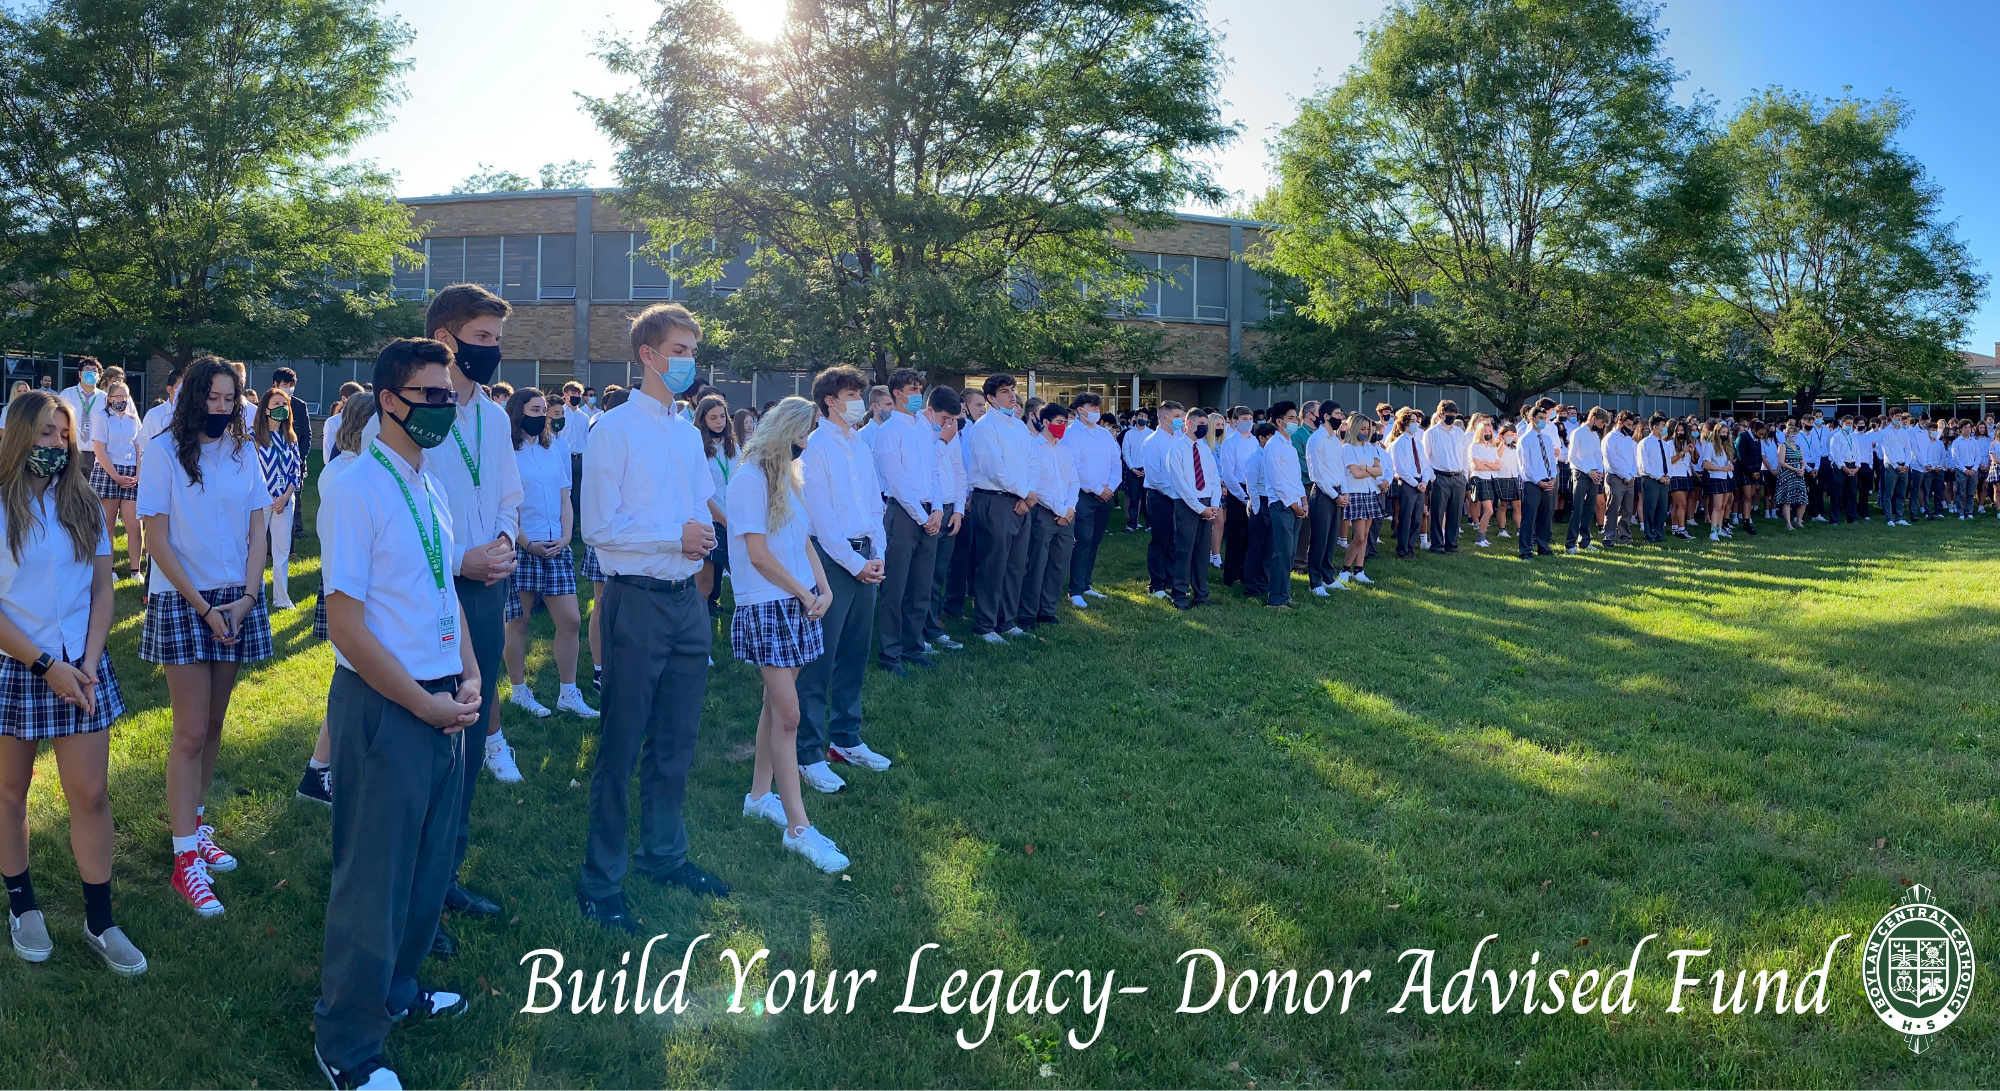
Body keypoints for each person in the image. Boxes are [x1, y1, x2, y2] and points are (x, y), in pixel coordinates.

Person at [312, 338, 481, 1091]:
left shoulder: (428, 482)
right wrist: (423, 703)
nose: (444, 406)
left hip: (442, 696)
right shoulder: (355, 486)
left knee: (426, 865)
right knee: (372, 879)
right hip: (388, 705)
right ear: (389, 400)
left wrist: (469, 673)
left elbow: (445, 592)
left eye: (448, 394)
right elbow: (346, 625)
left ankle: (398, 991)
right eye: (430, 395)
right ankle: (347, 1042)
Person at [367, 284, 522, 955]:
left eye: (497, 339)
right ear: (445, 338)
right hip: (427, 595)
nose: (493, 350)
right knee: (422, 749)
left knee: (467, 737)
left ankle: (444, 876)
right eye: (482, 338)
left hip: (485, 591)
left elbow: (509, 492)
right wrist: (463, 557)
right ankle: (407, 892)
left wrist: (505, 541)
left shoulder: (492, 416)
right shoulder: (404, 416)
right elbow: (395, 518)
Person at [579, 302, 729, 934]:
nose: (689, 362)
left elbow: (699, 506)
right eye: (679, 350)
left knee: (676, 740)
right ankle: (601, 880)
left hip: (685, 602)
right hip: (635, 600)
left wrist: (705, 534)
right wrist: (676, 537)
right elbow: (598, 528)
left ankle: (664, 855)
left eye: (693, 351)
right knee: (621, 742)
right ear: (648, 354)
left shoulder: (686, 432)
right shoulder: (612, 431)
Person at [0, 391, 142, 974]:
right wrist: (46, 666)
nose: (56, 445)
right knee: (10, 792)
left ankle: (100, 921)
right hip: (17, 667)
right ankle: (23, 906)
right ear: (17, 436)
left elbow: (104, 589)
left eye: (63, 435)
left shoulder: (81, 501)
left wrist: (88, 660)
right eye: (44, 434)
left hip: (81, 666)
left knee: (90, 795)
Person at [137, 357, 272, 917]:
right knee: (190, 732)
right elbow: (156, 539)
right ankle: (184, 860)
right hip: (183, 601)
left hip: (236, 600)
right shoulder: (163, 452)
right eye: (212, 398)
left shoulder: (244, 451)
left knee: (214, 726)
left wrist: (248, 598)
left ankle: (195, 826)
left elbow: (259, 528)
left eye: (229, 399)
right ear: (192, 398)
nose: (221, 408)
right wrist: (203, 607)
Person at [719, 394, 853, 875]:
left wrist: (823, 588)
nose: (806, 443)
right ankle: (798, 828)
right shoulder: (747, 479)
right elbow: (757, 554)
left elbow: (803, 540)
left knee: (775, 708)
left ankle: (759, 797)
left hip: (798, 602)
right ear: (783, 431)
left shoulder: (788, 477)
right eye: (802, 434)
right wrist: (802, 590)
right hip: (767, 605)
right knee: (789, 714)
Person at [794, 365, 891, 792]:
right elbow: (821, 517)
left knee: (854, 652)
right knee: (821, 657)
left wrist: (877, 553)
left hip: (866, 555)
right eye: (851, 395)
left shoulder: (860, 446)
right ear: (830, 401)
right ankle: (807, 751)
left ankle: (846, 738)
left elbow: (874, 503)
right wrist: (854, 563)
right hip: (833, 561)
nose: (859, 403)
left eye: (859, 395)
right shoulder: (815, 448)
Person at [296, 391, 380, 808]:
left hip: (364, 586)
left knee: (356, 679)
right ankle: (320, 771)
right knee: (350, 680)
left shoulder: (363, 467)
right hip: (349, 587)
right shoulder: (341, 473)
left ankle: (326, 769)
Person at [501, 388, 595, 726]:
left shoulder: (555, 447)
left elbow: (565, 497)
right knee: (519, 622)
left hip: (557, 546)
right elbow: (504, 505)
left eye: (544, 409)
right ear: (518, 412)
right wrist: (526, 543)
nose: (542, 415)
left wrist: (567, 536)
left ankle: (568, 694)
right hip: (521, 547)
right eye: (535, 409)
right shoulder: (506, 452)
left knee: (571, 620)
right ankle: (519, 690)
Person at [871, 369, 943, 675]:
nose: (917, 395)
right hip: (903, 514)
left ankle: (913, 646)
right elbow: (897, 483)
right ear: (897, 394)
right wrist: (923, 517)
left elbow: (934, 472)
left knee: (921, 585)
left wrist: (937, 509)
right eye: (912, 389)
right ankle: (890, 653)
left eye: (919, 389)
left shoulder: (924, 428)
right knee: (896, 587)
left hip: (928, 512)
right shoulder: (889, 432)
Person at [965, 374, 1039, 644]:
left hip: (1020, 501)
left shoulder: (1018, 426)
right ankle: (985, 625)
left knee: (1015, 565)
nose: (1011, 396)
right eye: (1005, 392)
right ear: (991, 398)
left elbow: (1033, 462)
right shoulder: (984, 427)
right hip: (994, 500)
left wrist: (1027, 497)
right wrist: (1025, 493)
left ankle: (1006, 621)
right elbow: (995, 470)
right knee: (993, 565)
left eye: (1012, 390)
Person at [1019, 403, 1080, 624]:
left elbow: (1074, 482)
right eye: (1059, 422)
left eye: (1065, 423)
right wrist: (1060, 510)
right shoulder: (1033, 448)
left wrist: (1069, 509)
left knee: (1059, 564)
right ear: (1045, 422)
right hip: (1043, 513)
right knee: (1036, 564)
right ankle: (1028, 612)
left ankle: (1048, 609)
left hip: (1067, 515)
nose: (1063, 426)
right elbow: (1036, 487)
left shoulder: (1065, 451)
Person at [921, 389, 968, 654]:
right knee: (922, 576)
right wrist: (942, 440)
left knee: (939, 574)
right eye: (944, 418)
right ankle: (918, 631)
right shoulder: (920, 431)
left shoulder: (951, 432)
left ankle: (933, 626)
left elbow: (959, 472)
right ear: (930, 411)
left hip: (950, 509)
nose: (949, 424)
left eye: (953, 419)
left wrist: (959, 510)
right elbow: (927, 468)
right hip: (929, 511)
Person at [1063, 392, 1119, 607]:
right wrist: (1097, 489)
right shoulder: (1071, 434)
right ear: (1080, 410)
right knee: (1083, 540)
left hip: (1105, 495)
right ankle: (1075, 589)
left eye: (1097, 407)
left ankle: (1086, 584)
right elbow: (1076, 467)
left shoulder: (1105, 435)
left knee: (1094, 541)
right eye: (1091, 407)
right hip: (1083, 495)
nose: (1096, 410)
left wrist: (1110, 487)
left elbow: (1116, 462)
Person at [84, 380, 144, 580]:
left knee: (135, 526)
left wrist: (138, 474)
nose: (122, 400)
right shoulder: (102, 417)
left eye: (125, 396)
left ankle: (135, 570)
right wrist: (116, 477)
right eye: (118, 396)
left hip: (131, 473)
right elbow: (99, 450)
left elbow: (139, 449)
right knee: (107, 525)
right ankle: (109, 569)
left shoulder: (133, 419)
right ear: (109, 399)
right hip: (108, 471)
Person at [252, 385, 304, 609]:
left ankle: (282, 598)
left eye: (285, 405)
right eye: (277, 404)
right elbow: (250, 473)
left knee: (282, 551)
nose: (282, 408)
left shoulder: (290, 437)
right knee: (256, 549)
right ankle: (254, 594)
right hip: (260, 502)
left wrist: (285, 496)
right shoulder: (252, 438)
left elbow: (296, 469)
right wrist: (269, 497)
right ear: (266, 409)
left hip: (285, 501)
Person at [693, 394, 736, 615]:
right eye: (713, 418)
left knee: (741, 575)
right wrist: (723, 519)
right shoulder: (698, 449)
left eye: (722, 416)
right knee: (705, 584)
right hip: (709, 521)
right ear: (702, 420)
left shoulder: (733, 447)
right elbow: (700, 494)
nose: (719, 422)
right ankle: (697, 623)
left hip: (733, 520)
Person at [1334, 413, 1384, 587]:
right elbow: (1355, 473)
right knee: (1359, 537)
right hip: (1355, 492)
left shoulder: (1370, 447)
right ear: (1354, 428)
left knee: (1365, 535)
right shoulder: (1348, 448)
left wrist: (1365, 468)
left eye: (1367, 429)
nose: (1365, 432)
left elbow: (1380, 471)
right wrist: (1370, 470)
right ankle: (1345, 570)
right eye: (1362, 429)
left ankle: (1359, 570)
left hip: (1370, 491)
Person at [1260, 420, 1306, 607]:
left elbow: (1296, 478)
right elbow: (1276, 481)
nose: (1296, 421)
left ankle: (1285, 595)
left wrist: (1303, 500)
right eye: (1292, 418)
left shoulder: (1290, 447)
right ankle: (1276, 599)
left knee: (1290, 553)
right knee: (1282, 553)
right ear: (1280, 421)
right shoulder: (1273, 446)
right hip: (1282, 504)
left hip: (1296, 504)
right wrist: (1293, 504)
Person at [1141, 403, 1185, 597]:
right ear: (1165, 418)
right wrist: (1173, 493)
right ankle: (1156, 585)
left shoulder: (1180, 439)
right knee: (1160, 540)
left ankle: (1170, 580)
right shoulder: (1152, 441)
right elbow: (1154, 476)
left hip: (1179, 495)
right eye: (1177, 416)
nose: (1180, 420)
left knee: (1174, 541)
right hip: (1160, 496)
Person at [1305, 408, 1344, 592]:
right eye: (1337, 414)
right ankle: (1315, 582)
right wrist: (1335, 496)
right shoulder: (1316, 440)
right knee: (1319, 538)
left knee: (1331, 537)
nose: (1340, 417)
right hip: (1322, 493)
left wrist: (1344, 492)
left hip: (1337, 491)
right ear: (1326, 416)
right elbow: (1317, 474)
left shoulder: (1335, 440)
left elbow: (1340, 468)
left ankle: (1328, 577)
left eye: (1341, 414)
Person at [1217, 407, 1257, 587]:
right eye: (1244, 419)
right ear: (1235, 421)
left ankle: (1247, 572)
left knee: (1251, 535)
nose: (1248, 422)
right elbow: (1229, 474)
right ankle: (1231, 575)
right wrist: (1243, 497)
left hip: (1254, 488)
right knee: (1236, 535)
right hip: (1238, 491)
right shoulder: (1230, 443)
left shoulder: (1255, 441)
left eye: (1250, 418)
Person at [1422, 401, 1468, 554]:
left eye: (1454, 415)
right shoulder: (1431, 433)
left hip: (1458, 476)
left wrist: (1465, 475)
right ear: (1441, 414)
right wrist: (1432, 477)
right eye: (1449, 414)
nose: (1452, 417)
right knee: (1437, 513)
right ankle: (1436, 545)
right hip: (1440, 476)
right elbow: (1425, 458)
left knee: (1455, 513)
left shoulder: (1459, 433)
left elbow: (1464, 455)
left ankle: (1452, 545)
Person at [1385, 408, 1431, 560]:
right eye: (1412, 421)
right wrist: (1414, 483)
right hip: (1407, 483)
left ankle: (1411, 547)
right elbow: (1400, 468)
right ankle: (1402, 549)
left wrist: (1424, 481)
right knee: (1406, 517)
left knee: (1417, 517)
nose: (1415, 424)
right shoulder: (1399, 444)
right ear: (1404, 424)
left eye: (1417, 421)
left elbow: (1425, 465)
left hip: (1420, 482)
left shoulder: (1418, 443)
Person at [1518, 404, 1558, 557]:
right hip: (1533, 483)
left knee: (1545, 517)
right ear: (1532, 419)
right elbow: (1525, 465)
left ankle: (1543, 547)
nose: (1543, 421)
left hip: (1548, 481)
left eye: (1545, 418)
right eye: (1540, 418)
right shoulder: (1525, 439)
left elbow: (1552, 460)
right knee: (1529, 517)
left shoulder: (1547, 439)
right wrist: (1538, 481)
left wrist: (1553, 477)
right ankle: (1526, 550)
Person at [1566, 407, 1607, 552]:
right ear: (1593, 418)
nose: (1602, 426)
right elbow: (1572, 457)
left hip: (1594, 474)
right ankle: (1570, 543)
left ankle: (1584, 541)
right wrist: (1589, 471)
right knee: (1578, 509)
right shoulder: (1577, 433)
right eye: (1601, 422)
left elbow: (1598, 455)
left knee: (1589, 509)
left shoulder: (1595, 435)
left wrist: (1599, 472)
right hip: (1581, 474)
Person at [56, 357, 106, 475]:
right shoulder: (66, 395)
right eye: (86, 369)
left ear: (99, 376)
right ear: (80, 374)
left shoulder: (105, 398)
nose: (90, 373)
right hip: (72, 451)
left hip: (97, 455)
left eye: (94, 370)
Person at [1603, 411, 1639, 545]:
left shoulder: (1628, 439)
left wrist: (1632, 475)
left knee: (1627, 510)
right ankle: (1609, 537)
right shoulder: (1610, 438)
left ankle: (1625, 537)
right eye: (1628, 425)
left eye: (1631, 425)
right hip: (1615, 477)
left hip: (1629, 478)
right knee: (1613, 508)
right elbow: (1612, 461)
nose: (1630, 428)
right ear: (1619, 422)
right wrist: (1625, 475)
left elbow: (1634, 459)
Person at [1637, 414, 1672, 543]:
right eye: (1663, 426)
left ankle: (1659, 534)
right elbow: (1644, 465)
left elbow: (1668, 462)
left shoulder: (1664, 444)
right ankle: (1649, 534)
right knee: (1650, 508)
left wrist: (1668, 476)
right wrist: (1659, 477)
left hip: (1664, 481)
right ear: (1655, 427)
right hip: (1651, 480)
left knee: (1662, 509)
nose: (1665, 428)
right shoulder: (1645, 443)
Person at [1466, 416, 1501, 548]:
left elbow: (1499, 466)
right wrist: (1490, 465)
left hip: (1490, 478)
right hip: (1480, 478)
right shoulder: (1475, 447)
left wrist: (1487, 464)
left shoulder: (1492, 447)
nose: (1488, 433)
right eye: (1485, 431)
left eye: (1489, 431)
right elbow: (1477, 466)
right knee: (1489, 510)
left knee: (1488, 510)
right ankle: (1479, 538)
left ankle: (1482, 538)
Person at [1699, 421, 1736, 540]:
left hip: (1728, 477)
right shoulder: (1710, 446)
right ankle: (1713, 531)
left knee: (1723, 506)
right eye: (1722, 432)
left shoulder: (1726, 446)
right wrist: (1722, 468)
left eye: (1726, 433)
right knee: (1717, 506)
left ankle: (1720, 528)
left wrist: (1730, 466)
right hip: (1717, 478)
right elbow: (1706, 464)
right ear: (1717, 433)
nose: (1724, 435)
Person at [1120, 411, 1151, 531]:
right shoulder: (1129, 434)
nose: (1143, 418)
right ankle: (1132, 523)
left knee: (1148, 498)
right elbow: (1125, 452)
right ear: (1136, 418)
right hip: (1133, 469)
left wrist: (1147, 468)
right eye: (1141, 416)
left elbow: (1153, 453)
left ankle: (1149, 523)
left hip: (1147, 470)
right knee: (1134, 497)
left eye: (1145, 416)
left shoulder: (1150, 433)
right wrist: (1132, 468)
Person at [1775, 421, 1809, 529]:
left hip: (1798, 476)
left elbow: (1803, 461)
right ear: (1787, 435)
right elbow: (1781, 462)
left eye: (1796, 434)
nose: (1794, 436)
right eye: (1792, 434)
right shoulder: (1783, 446)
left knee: (1803, 500)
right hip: (1787, 475)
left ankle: (1798, 521)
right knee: (1787, 500)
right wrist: (1795, 469)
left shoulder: (1798, 447)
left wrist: (1802, 469)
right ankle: (1788, 524)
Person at [1494, 422, 1523, 540]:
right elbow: (1497, 456)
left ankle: (1519, 529)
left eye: (1512, 435)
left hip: (1514, 477)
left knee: (1517, 505)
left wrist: (1517, 440)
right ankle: (1502, 529)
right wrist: (1502, 443)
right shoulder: (1496, 446)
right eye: (1507, 435)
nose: (1510, 437)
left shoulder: (1516, 446)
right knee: (1503, 505)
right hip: (1502, 477)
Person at [322, 381, 365, 461]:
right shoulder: (332, 422)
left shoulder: (364, 420)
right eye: (355, 399)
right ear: (344, 398)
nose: (359, 402)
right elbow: (328, 451)